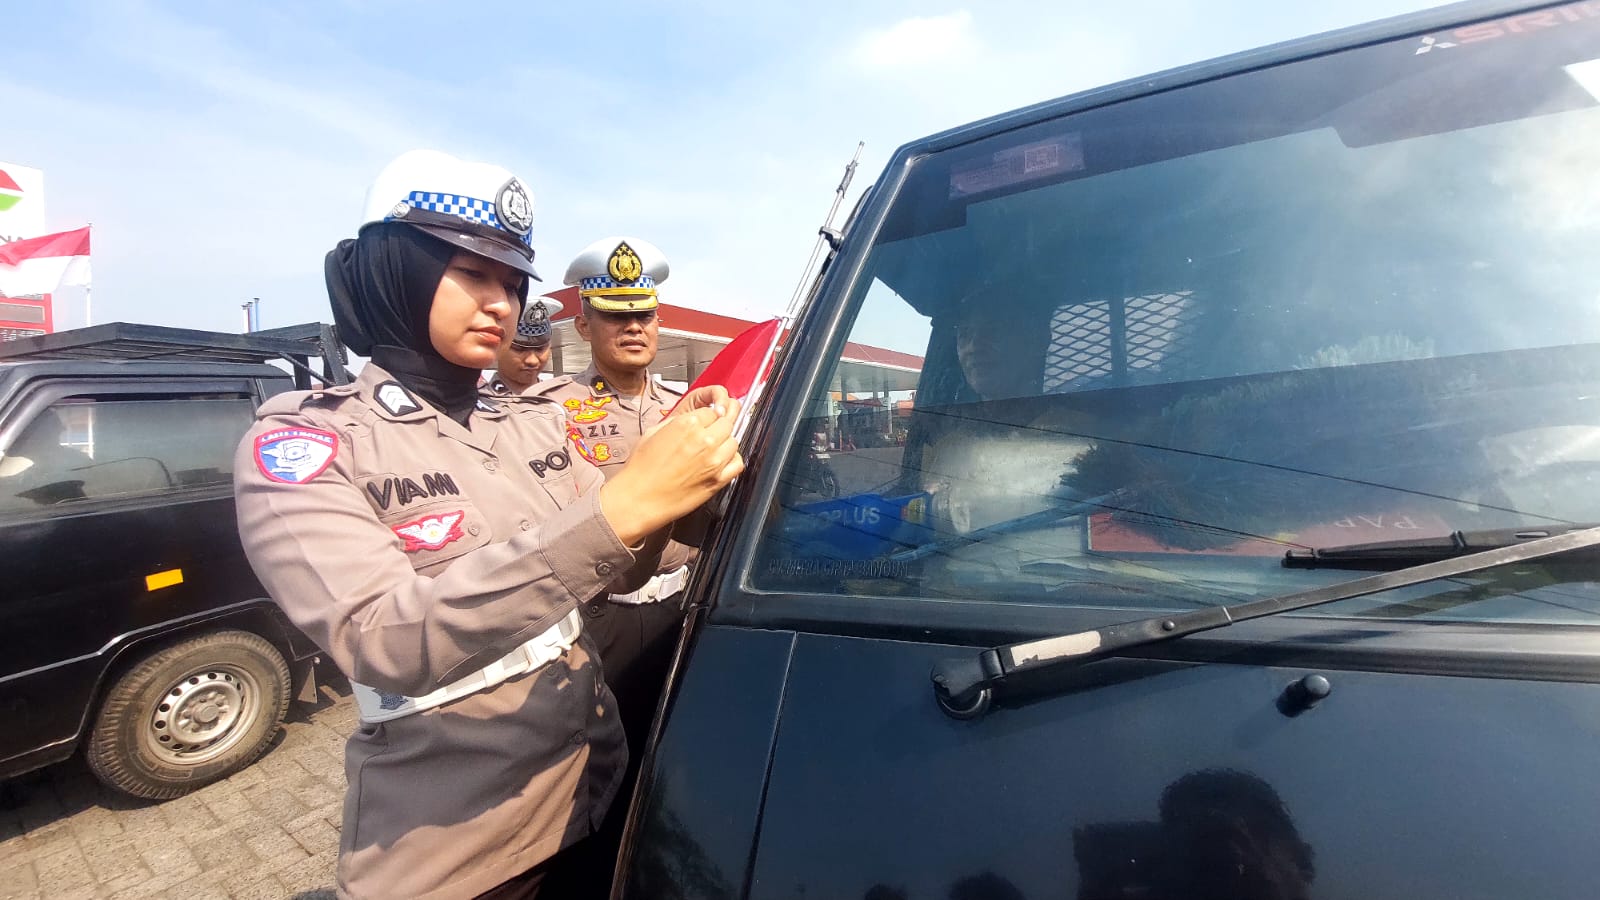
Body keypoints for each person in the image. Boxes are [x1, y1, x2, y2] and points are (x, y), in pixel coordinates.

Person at [232, 151, 742, 900]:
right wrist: (629, 501)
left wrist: (701, 482)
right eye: (472, 273)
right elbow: (384, 636)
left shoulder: (529, 427)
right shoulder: (309, 445)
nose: (501, 302)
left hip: (595, 791)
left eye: (512, 281)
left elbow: (621, 565)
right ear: (393, 270)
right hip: (465, 848)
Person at [525, 236, 698, 896]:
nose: (634, 327)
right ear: (583, 323)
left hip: (688, 606)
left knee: (680, 749)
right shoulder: (547, 415)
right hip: (601, 621)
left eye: (644, 314)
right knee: (599, 770)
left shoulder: (689, 406)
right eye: (616, 314)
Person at [486, 295, 563, 395]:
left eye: (540, 349)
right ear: (498, 346)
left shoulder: (564, 400)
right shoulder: (475, 405)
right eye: (519, 349)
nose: (532, 361)